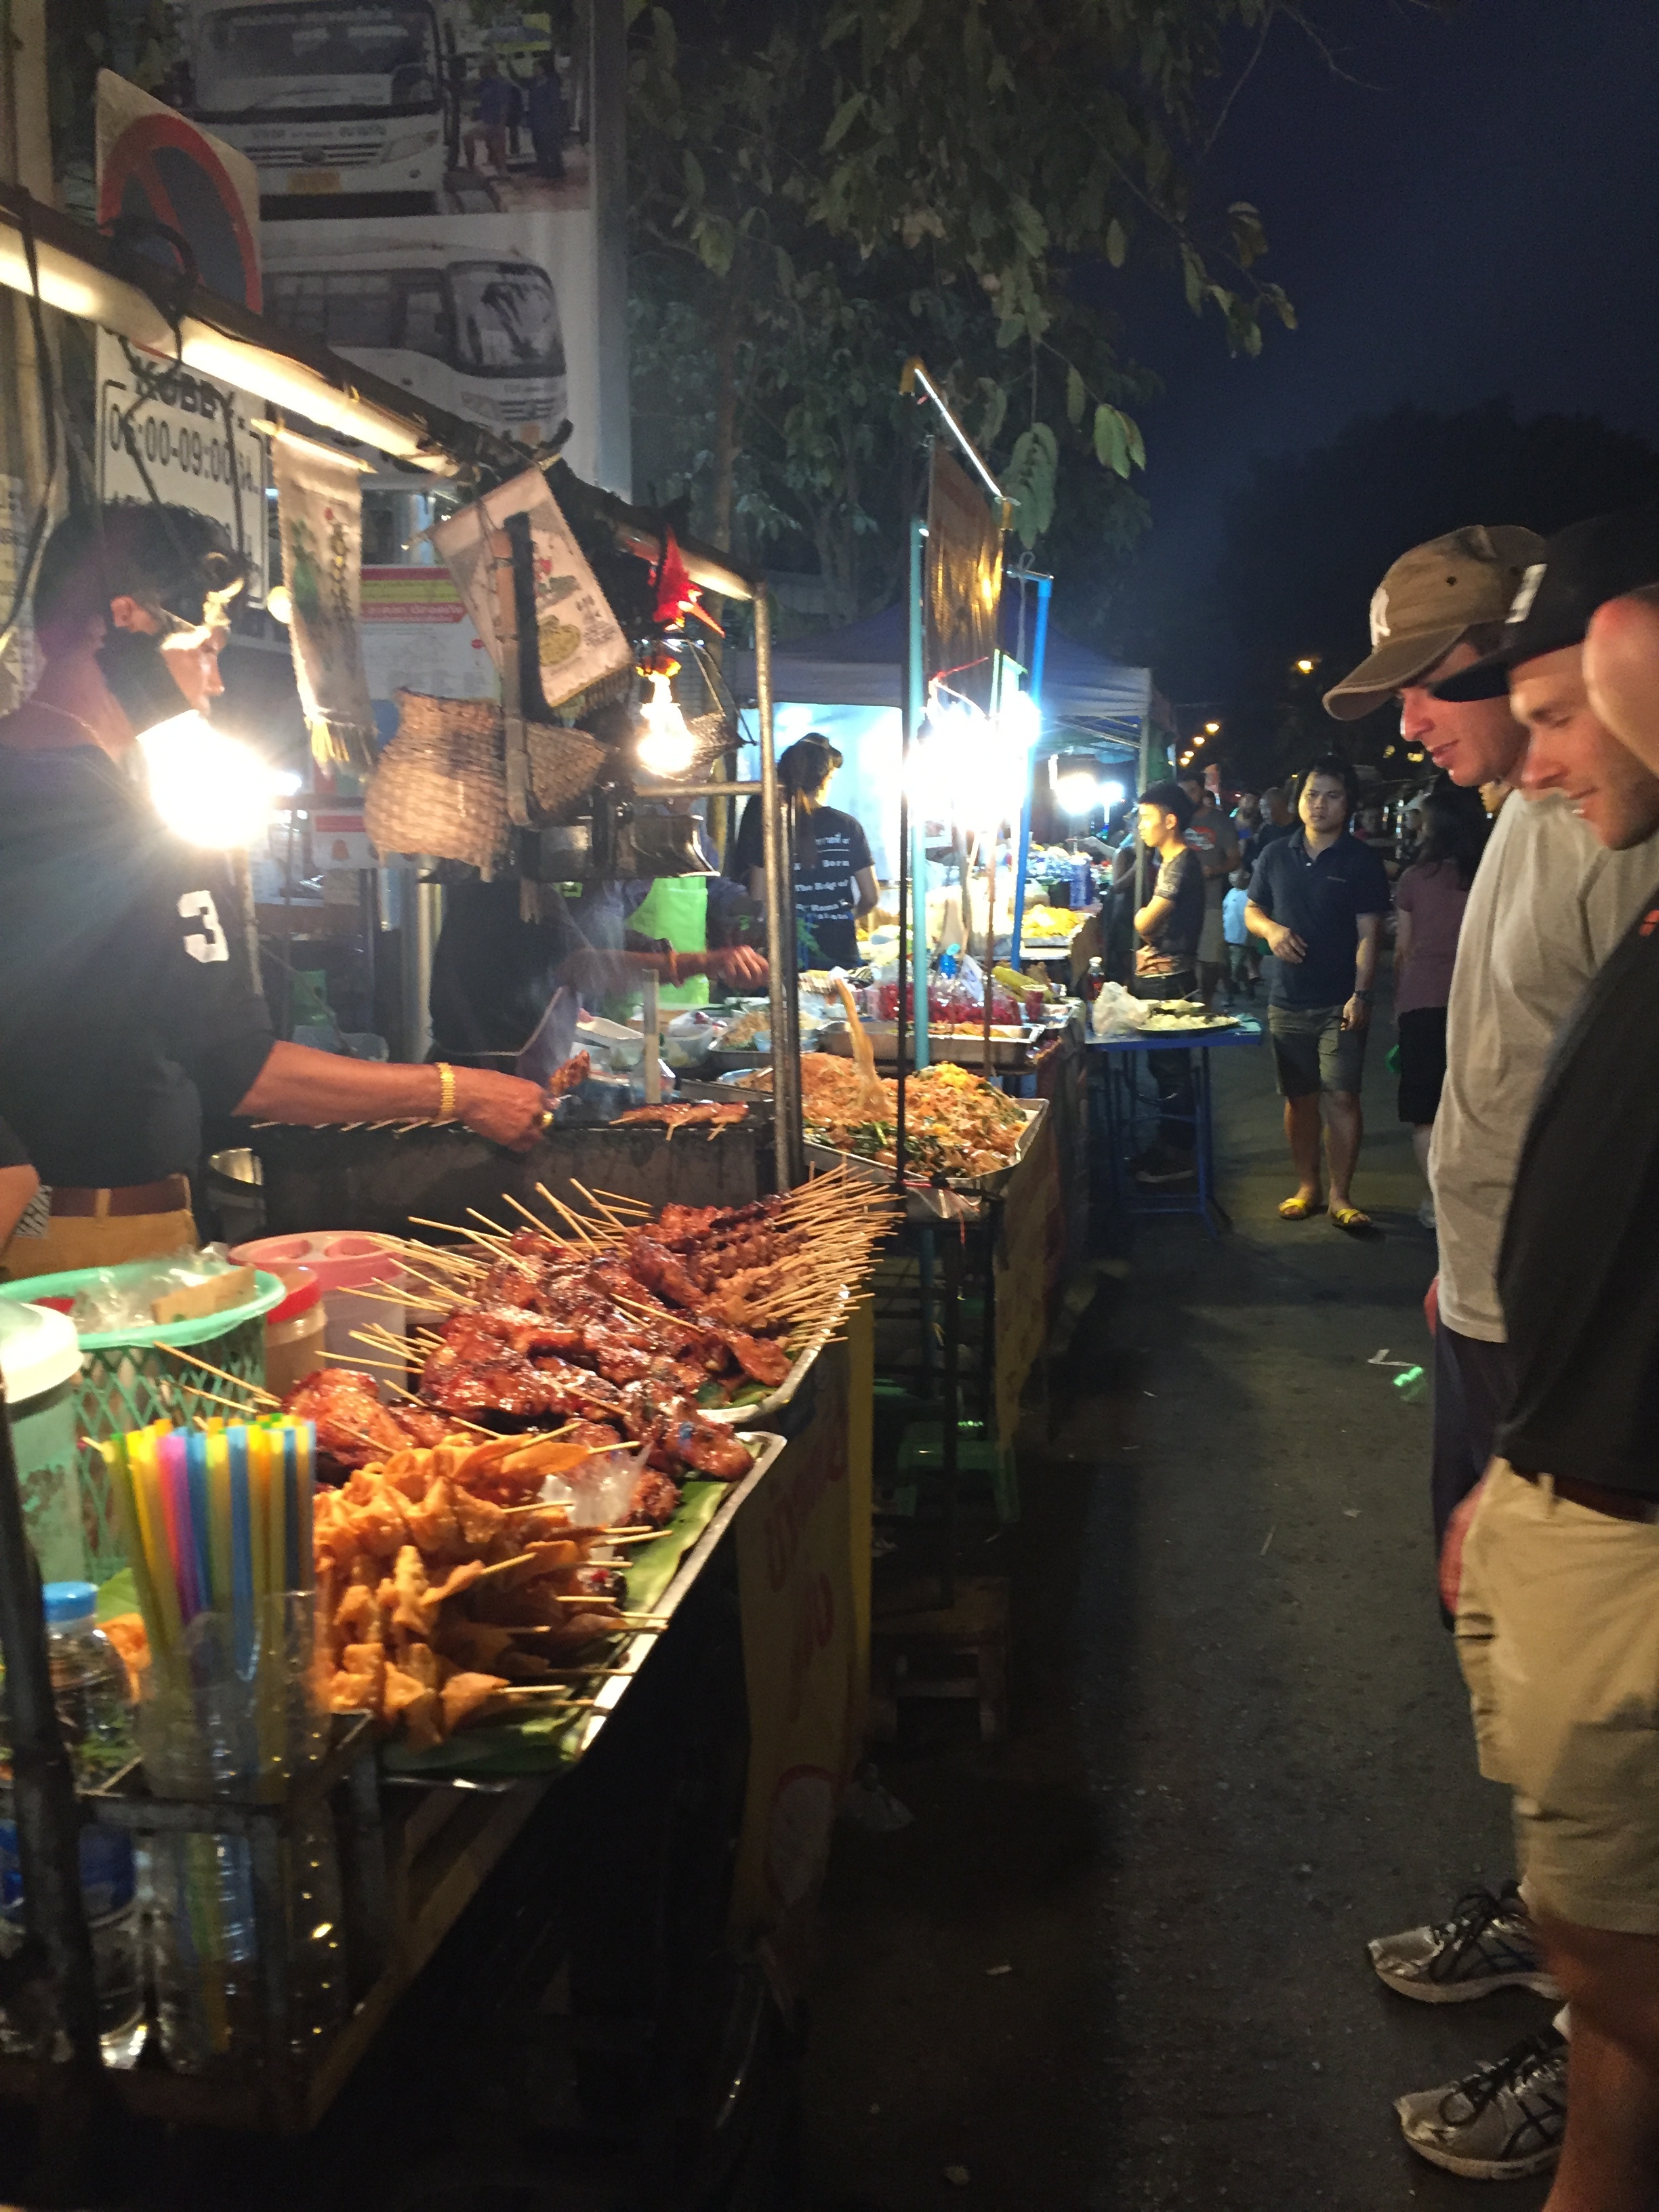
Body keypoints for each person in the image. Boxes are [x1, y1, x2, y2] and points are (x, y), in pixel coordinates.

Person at [1324, 522, 1659, 2184]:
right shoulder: (1526, 815)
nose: (1414, 730)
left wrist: (1552, 1423)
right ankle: (1548, 1942)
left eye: (1434, 693)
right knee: (1511, 1694)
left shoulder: (1608, 830)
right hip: (1490, 1324)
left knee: (1593, 1748)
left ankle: (1585, 2012)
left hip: (1579, 1379)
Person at [0, 505, 550, 1279]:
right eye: (207, 647)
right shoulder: (105, 817)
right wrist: (459, 1092)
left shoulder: (25, 784)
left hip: (43, 1231)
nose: (214, 684)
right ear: (124, 622)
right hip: (96, 1246)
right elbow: (245, 1071)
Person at [1429, 506, 1659, 2212]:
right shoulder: (1588, 839)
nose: (1536, 750)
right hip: (1557, 1444)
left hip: (1618, 1501)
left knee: (1620, 1968)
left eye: (1566, 706)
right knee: (1596, 1946)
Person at [1244, 756, 1390, 1231]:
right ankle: (1306, 1186)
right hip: (1287, 998)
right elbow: (1252, 910)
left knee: (1343, 1097)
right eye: (1312, 794)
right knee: (1299, 1099)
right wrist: (1270, 931)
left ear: (1347, 804)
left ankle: (1340, 1196)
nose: (1319, 804)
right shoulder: (1274, 854)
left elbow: (1370, 934)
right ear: (1298, 799)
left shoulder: (1360, 861)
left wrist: (1362, 994)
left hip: (1340, 1000)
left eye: (1331, 795)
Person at [1391, 778, 1488, 1229]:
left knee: (1426, 1113)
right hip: (1479, 1005)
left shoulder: (1414, 880)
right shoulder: (1489, 875)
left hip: (1422, 1002)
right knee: (1473, 1111)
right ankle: (1470, 1201)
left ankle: (1435, 1203)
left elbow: (1404, 951)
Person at [733, 735, 878, 970]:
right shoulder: (849, 827)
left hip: (790, 954)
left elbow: (759, 901)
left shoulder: (770, 829)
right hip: (840, 951)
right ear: (824, 779)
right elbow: (870, 896)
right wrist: (844, 917)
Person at [1127, 780, 1204, 1185]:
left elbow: (1147, 922)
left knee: (1172, 1072)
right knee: (1164, 1070)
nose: (1140, 825)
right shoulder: (1170, 861)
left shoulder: (1181, 863)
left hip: (1169, 980)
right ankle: (1167, 1146)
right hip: (1160, 977)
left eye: (1146, 817)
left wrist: (1140, 919)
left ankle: (1179, 1156)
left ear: (1170, 821)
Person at [1177, 770, 1239, 1012]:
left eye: (1192, 790)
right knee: (1183, 957)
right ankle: (1185, 1002)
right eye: (1183, 791)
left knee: (1210, 957)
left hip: (1211, 899)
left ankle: (1208, 1001)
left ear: (1203, 791)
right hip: (1179, 901)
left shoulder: (1220, 821)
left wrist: (1216, 869)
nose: (1187, 796)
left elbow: (1235, 859)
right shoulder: (1176, 820)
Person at [464, 59, 512, 173]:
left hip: (495, 121)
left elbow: (504, 104)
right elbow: (472, 91)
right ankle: (472, 165)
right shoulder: (485, 83)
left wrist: (501, 122)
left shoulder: (500, 84)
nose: (480, 73)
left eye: (482, 70)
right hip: (486, 120)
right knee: (470, 138)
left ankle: (502, 171)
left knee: (497, 147)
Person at [527, 54, 567, 180]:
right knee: (539, 145)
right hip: (537, 119)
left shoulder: (552, 81)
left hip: (549, 120)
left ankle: (556, 169)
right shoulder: (535, 82)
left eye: (536, 68)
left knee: (552, 146)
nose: (534, 70)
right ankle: (544, 168)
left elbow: (554, 102)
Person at [1220, 867, 1252, 1003]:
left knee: (1233, 969)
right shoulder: (1231, 892)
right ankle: (1248, 986)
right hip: (1226, 936)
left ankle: (1229, 997)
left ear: (1246, 875)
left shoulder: (1251, 895)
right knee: (1230, 967)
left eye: (1234, 873)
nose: (1231, 876)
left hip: (1241, 939)